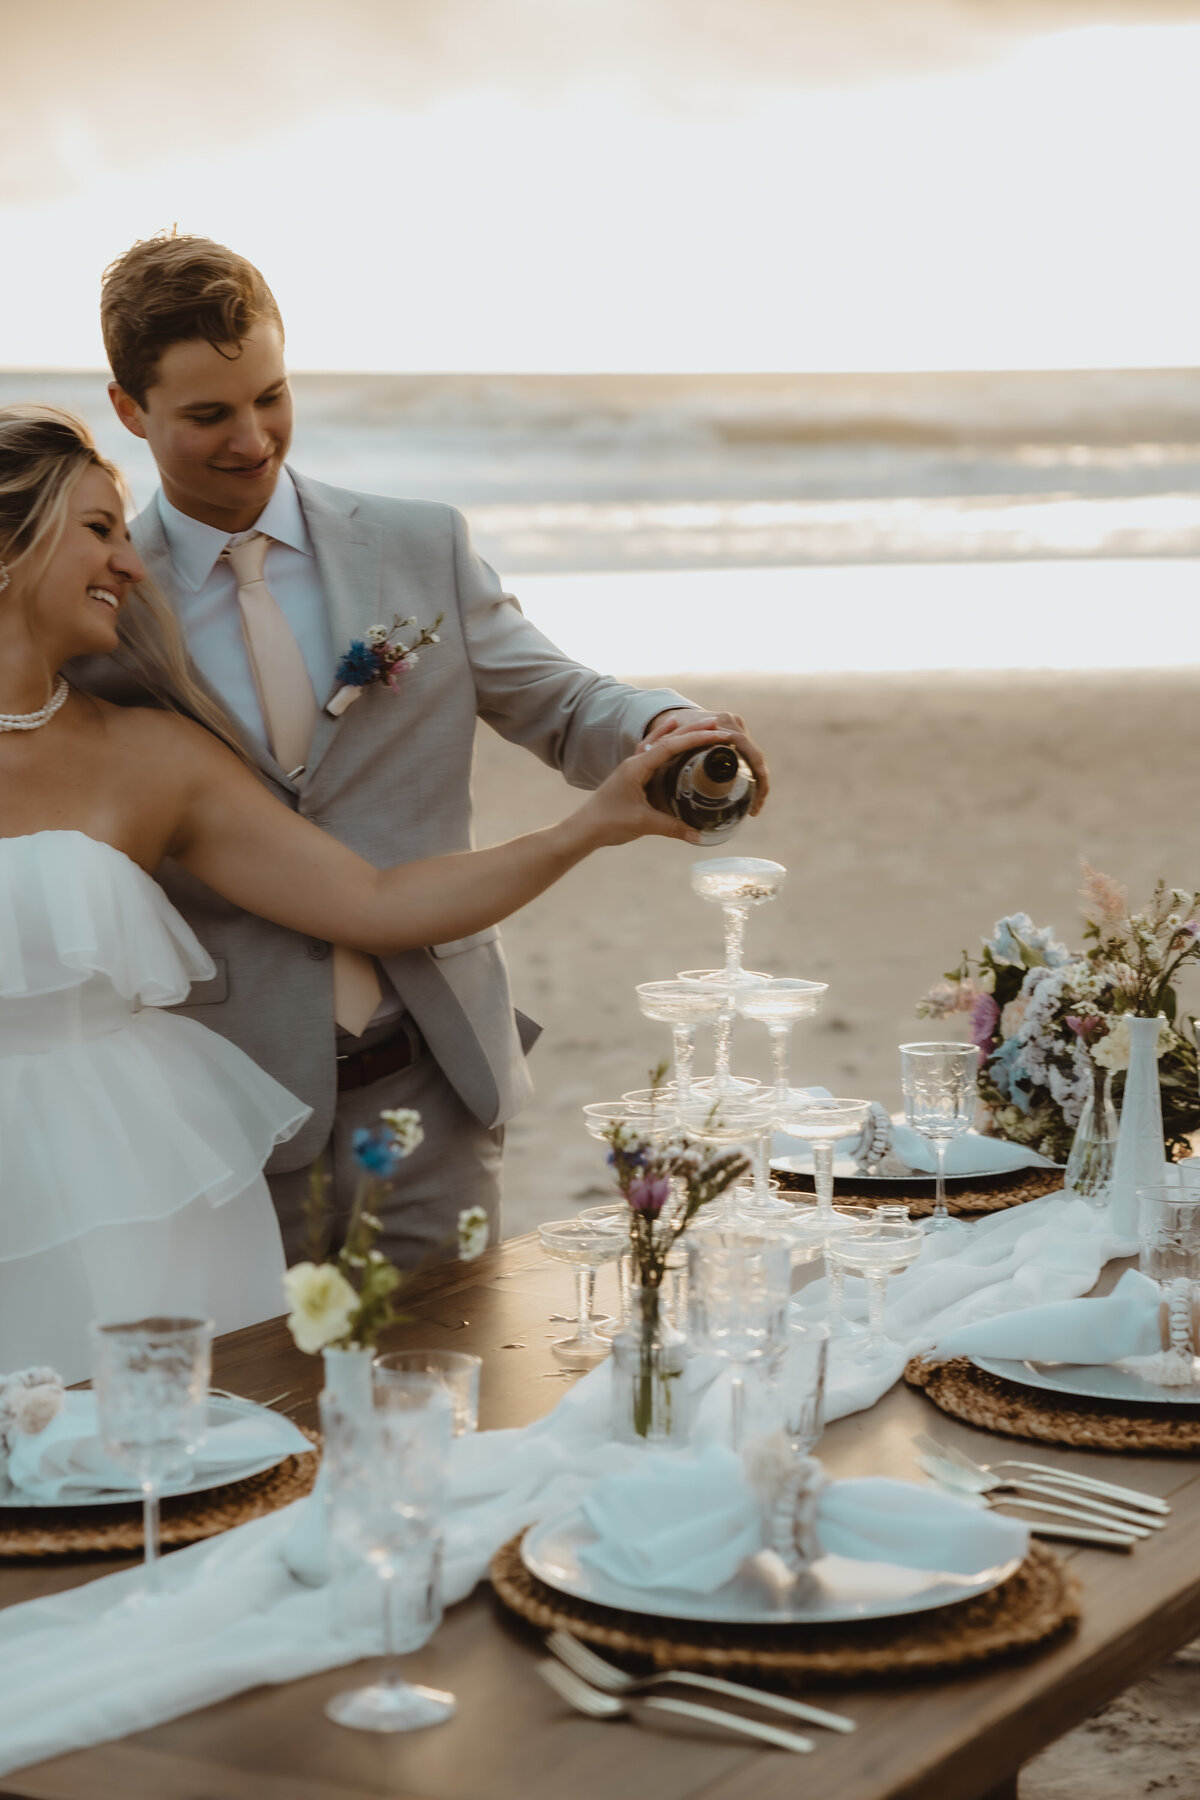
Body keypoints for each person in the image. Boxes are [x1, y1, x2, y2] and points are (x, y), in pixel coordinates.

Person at [80, 231, 770, 1265]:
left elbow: (562, 700)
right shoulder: (110, 606)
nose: (253, 439)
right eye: (208, 416)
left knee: (453, 1404)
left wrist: (662, 727)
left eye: (271, 396)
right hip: (222, 1101)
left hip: (433, 1077)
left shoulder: (419, 544)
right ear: (130, 411)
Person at [0, 404, 717, 1381]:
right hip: (61, 1172)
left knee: (190, 1456)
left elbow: (377, 900)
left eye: (124, 534)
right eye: (96, 531)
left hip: (140, 1172)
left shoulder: (148, 758)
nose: (130, 566)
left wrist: (589, 826)